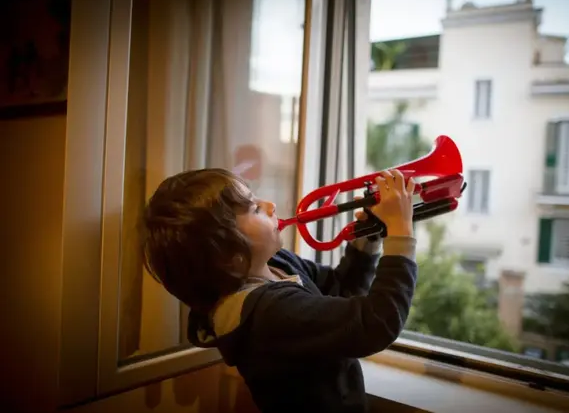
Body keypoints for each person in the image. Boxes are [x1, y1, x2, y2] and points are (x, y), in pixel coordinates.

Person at [141, 167, 417, 413]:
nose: (270, 205)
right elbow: (378, 322)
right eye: (254, 209)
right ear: (231, 258)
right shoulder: (269, 314)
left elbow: (340, 289)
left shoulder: (275, 264)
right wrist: (401, 234)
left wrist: (368, 238)